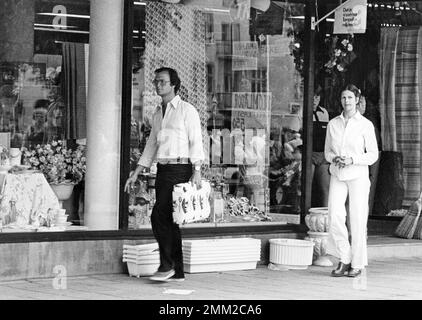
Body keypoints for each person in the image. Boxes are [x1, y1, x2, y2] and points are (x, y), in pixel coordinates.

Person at [124, 67, 204, 282]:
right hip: (162, 169)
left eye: (162, 81)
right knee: (171, 219)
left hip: (181, 168)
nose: (158, 85)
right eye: (156, 81)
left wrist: (197, 170)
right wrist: (137, 172)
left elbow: (196, 141)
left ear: (173, 84)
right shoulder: (157, 112)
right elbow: (151, 145)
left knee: (158, 215)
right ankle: (177, 271)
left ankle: (165, 264)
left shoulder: (187, 111)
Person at [324, 84, 378, 278]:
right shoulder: (333, 124)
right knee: (335, 215)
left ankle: (357, 263)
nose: (346, 101)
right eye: (343, 98)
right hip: (338, 173)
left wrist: (353, 159)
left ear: (357, 100)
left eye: (349, 98)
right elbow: (327, 152)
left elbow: (372, 155)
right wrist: (334, 158)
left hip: (358, 175)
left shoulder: (365, 125)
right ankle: (344, 258)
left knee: (357, 218)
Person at [311, 86, 330, 207]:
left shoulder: (324, 112)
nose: (314, 100)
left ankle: (326, 217)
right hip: (309, 155)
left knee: (325, 188)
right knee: (307, 188)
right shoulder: (301, 111)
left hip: (323, 155)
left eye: (317, 97)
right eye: (312, 96)